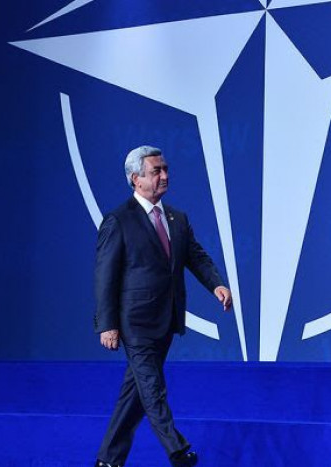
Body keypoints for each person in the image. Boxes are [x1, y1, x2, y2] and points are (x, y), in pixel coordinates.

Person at [93, 145, 232, 467]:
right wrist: (107, 324)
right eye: (156, 171)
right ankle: (178, 451)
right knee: (152, 387)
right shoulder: (118, 220)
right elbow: (105, 276)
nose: (165, 176)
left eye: (165, 169)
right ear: (136, 178)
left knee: (136, 391)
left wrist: (216, 284)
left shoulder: (176, 218)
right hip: (135, 321)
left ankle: (108, 460)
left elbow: (195, 256)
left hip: (167, 318)